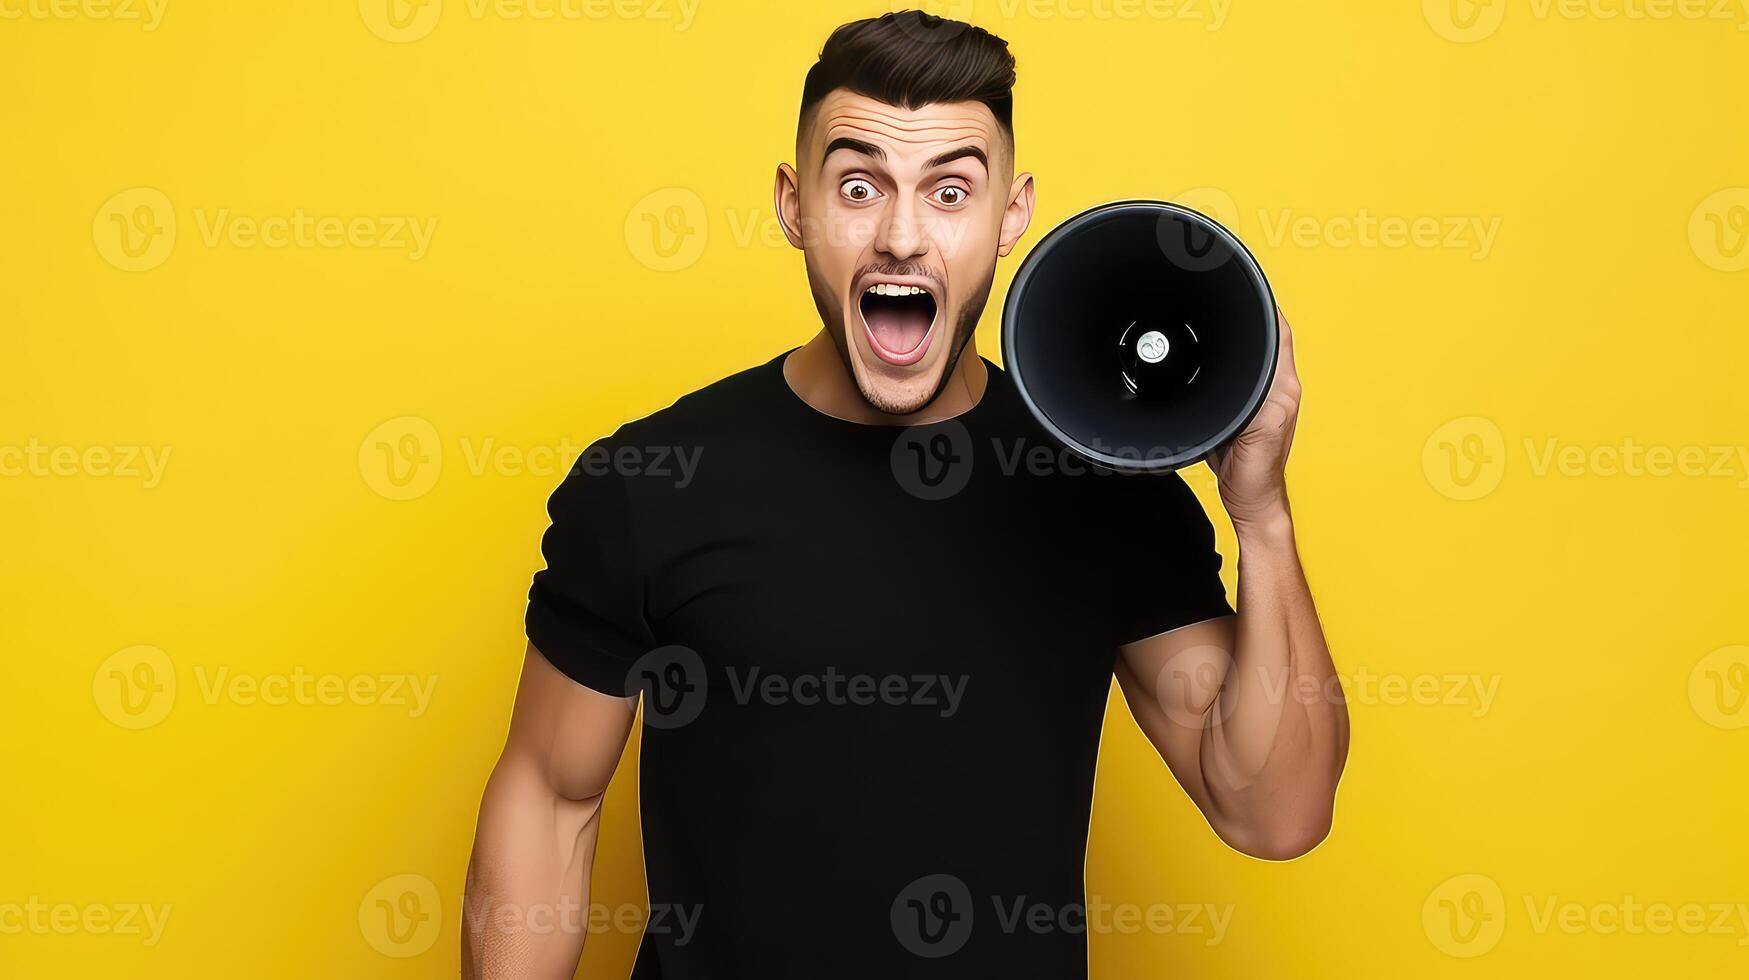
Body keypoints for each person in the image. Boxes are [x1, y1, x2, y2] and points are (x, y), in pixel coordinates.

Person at [463, 11, 1348, 978]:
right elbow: (550, 802)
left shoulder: (1101, 488)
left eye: (950, 192)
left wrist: (1259, 513)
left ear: (1012, 216)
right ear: (793, 205)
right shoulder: (652, 483)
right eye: (857, 186)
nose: (899, 236)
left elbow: (1273, 811)